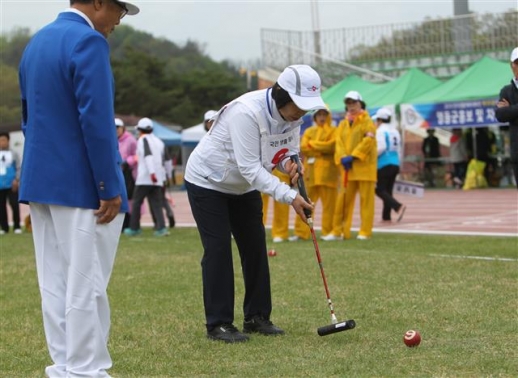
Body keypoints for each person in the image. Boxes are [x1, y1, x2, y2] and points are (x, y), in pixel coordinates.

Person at [18, 1, 138, 376]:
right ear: (99, 2)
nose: (120, 18)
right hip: (81, 183)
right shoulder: (89, 42)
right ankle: (87, 369)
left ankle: (65, 364)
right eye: (119, 8)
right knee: (86, 281)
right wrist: (107, 183)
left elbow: (27, 116)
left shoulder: (36, 42)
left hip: (41, 179)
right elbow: (97, 120)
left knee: (54, 281)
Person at [184, 64, 323, 343]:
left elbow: (284, 151)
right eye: (299, 105)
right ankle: (219, 323)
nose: (303, 112)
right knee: (219, 249)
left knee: (255, 246)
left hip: (244, 186)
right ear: (281, 95)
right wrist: (289, 196)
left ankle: (257, 317)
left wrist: (290, 164)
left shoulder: (293, 116)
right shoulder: (246, 112)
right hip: (208, 182)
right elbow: (250, 167)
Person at [333, 90, 377, 240]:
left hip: (365, 168)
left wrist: (354, 156)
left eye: (353, 103)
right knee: (343, 200)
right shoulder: (343, 124)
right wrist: (343, 157)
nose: (351, 106)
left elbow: (368, 141)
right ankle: (339, 231)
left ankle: (365, 231)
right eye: (348, 103)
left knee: (366, 202)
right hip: (348, 169)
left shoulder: (367, 121)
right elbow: (338, 142)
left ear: (360, 103)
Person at [291, 107, 338, 241]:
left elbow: (332, 146)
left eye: (324, 114)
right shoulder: (309, 131)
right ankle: (301, 232)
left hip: (328, 173)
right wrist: (321, 147)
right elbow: (304, 147)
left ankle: (328, 231)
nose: (322, 117)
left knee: (330, 204)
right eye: (319, 115)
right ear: (315, 117)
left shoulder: (334, 131)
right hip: (311, 173)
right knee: (305, 201)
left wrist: (313, 145)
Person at [124, 117, 169, 237]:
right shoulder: (159, 142)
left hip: (145, 177)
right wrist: (165, 176)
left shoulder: (142, 140)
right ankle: (161, 228)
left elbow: (148, 156)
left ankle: (134, 228)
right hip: (158, 179)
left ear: (140, 129)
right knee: (156, 204)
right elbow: (167, 160)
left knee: (137, 202)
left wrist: (151, 173)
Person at [373, 108, 406, 222]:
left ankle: (398, 206)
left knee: (379, 189)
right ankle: (386, 216)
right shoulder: (395, 131)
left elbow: (381, 147)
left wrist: (373, 156)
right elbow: (399, 150)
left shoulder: (380, 131)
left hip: (383, 163)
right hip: (395, 163)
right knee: (388, 190)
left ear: (380, 120)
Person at [495, 46, 518, 188]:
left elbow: (507, 113)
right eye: (517, 62)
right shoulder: (506, 91)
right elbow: (500, 115)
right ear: (512, 65)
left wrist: (511, 110)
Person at [116, 117, 138, 230]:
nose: (116, 130)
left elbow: (137, 155)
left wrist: (127, 161)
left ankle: (129, 223)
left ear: (123, 128)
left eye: (117, 127)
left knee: (129, 198)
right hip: (117, 171)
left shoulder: (130, 140)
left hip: (128, 173)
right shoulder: (113, 140)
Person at [0, 132, 22, 234]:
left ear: (8, 141)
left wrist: (16, 180)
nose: (2, 142)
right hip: (0, 185)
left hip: (12, 184)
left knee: (14, 205)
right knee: (1, 207)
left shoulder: (14, 154)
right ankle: (4, 228)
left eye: (4, 140)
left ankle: (17, 226)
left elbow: (18, 167)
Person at [261, 170, 291, 243]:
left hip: (279, 165)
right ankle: (255, 230)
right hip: (262, 166)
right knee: (259, 201)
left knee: (282, 201)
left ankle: (280, 233)